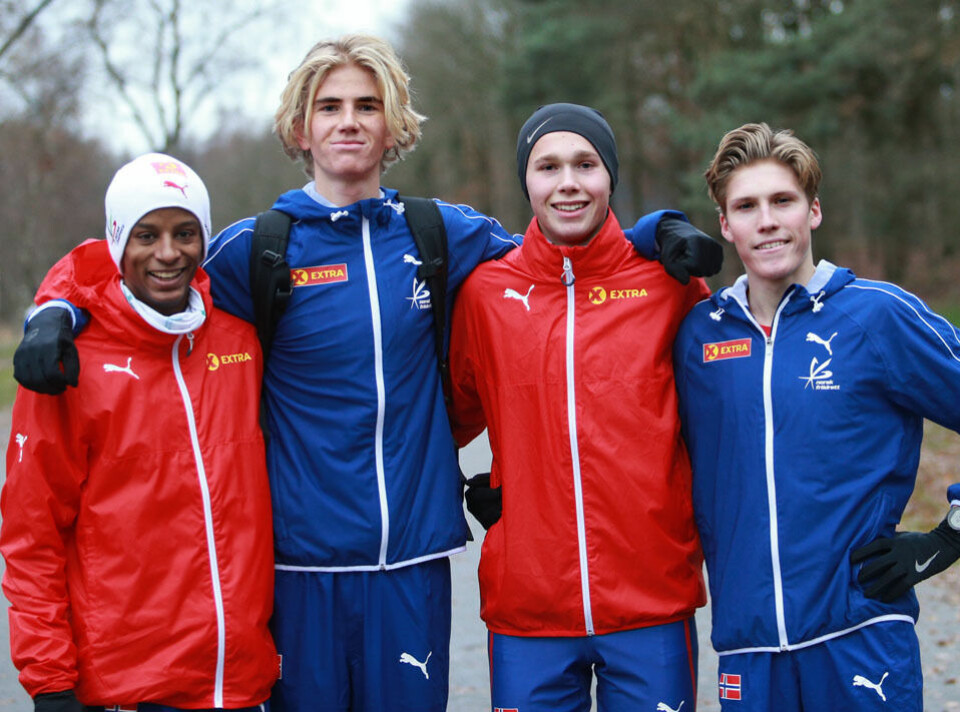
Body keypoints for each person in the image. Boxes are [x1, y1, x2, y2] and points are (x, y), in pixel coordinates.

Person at [10, 35, 722, 712]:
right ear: (299, 128)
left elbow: (566, 252)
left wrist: (655, 230)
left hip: (412, 563)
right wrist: (56, 305)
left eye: (367, 105)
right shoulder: (254, 250)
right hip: (298, 568)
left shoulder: (440, 233)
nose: (348, 121)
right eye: (329, 106)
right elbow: (140, 270)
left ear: (393, 126)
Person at [673, 122, 960, 711]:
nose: (768, 220)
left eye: (783, 201)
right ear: (726, 226)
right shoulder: (697, 336)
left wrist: (950, 537)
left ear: (814, 212)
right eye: (746, 207)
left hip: (861, 640)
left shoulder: (876, 317)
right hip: (748, 653)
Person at [449, 103, 708, 712]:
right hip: (528, 608)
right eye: (548, 167)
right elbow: (438, 421)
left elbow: (735, 409)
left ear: (609, 176)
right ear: (527, 182)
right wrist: (464, 493)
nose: (568, 182)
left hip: (650, 599)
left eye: (585, 164)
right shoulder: (486, 296)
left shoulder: (667, 284)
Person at [1, 154, 278, 712]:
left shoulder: (241, 342)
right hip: (130, 689)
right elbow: (32, 537)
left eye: (185, 233)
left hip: (239, 684)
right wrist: (50, 680)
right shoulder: (65, 363)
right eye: (146, 235)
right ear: (117, 242)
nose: (168, 253)